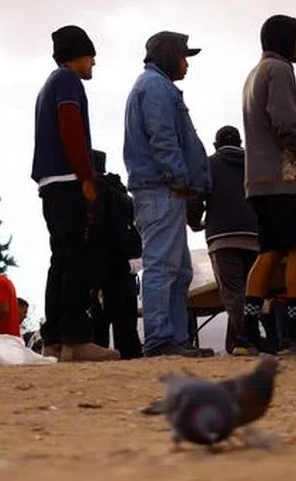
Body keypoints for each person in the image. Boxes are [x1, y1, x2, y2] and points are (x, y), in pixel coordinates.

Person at [32, 26, 119, 362]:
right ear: (76, 56)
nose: (93, 61)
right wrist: (86, 177)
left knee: (61, 260)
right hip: (68, 179)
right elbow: (70, 125)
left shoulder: (48, 85)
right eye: (90, 54)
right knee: (78, 260)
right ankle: (76, 339)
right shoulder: (67, 81)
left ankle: (54, 338)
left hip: (50, 181)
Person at [124, 31, 212, 358]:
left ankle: (172, 339)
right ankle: (161, 339)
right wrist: (182, 181)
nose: (186, 64)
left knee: (179, 270)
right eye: (183, 56)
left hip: (163, 189)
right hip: (162, 189)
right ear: (168, 55)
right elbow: (164, 139)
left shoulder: (154, 86)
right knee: (162, 266)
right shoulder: (157, 88)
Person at [239, 15, 296, 355]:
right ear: (287, 39)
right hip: (287, 179)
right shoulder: (280, 70)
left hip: (258, 180)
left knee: (269, 251)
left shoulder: (254, 74)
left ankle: (245, 333)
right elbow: (286, 121)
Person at [187, 125, 261, 354]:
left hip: (222, 236)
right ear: (239, 143)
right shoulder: (254, 164)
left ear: (215, 145)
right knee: (251, 291)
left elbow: (197, 195)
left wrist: (194, 222)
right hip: (254, 235)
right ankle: (238, 342)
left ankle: (245, 339)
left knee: (232, 292)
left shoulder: (209, 164)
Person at [88, 149, 143, 359]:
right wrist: (133, 264)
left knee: (96, 336)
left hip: (97, 270)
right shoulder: (124, 197)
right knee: (126, 332)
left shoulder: (91, 195)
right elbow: (137, 236)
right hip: (125, 271)